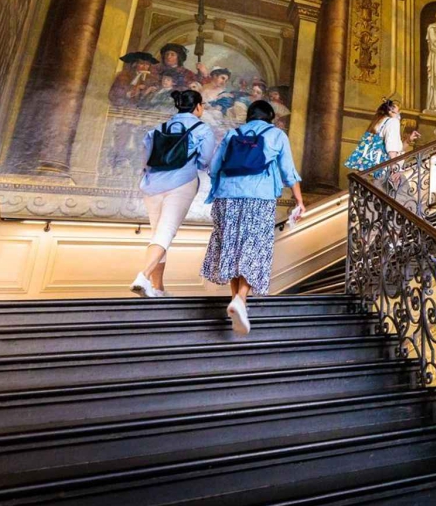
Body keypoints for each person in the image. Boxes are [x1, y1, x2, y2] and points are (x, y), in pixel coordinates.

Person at [202, 99, 305, 333]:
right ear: (270, 117)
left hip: (227, 197)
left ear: (249, 116)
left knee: (231, 247)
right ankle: (240, 299)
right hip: (259, 197)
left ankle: (237, 302)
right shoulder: (276, 135)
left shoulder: (233, 134)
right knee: (254, 247)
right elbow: (288, 172)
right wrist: (299, 201)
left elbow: (215, 167)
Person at [130, 89, 217, 298]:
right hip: (181, 183)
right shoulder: (202, 129)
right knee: (166, 232)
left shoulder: (159, 128)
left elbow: (146, 159)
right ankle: (143, 276)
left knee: (158, 234)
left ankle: (158, 288)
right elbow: (205, 161)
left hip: (152, 185)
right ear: (198, 106)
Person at [345, 98, 420, 171]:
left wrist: (408, 140)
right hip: (384, 170)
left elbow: (396, 149)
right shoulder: (393, 121)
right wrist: (394, 169)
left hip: (369, 169)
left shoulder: (378, 122)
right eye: (398, 112)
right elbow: (391, 148)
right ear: (390, 111)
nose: (399, 116)